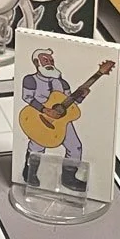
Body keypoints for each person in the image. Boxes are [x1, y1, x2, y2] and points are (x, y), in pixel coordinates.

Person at [20, 48, 89, 193]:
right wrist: (44, 110)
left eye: (51, 60)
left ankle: (68, 178)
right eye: (45, 60)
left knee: (75, 146)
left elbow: (71, 104)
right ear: (36, 62)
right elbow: (27, 97)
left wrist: (81, 96)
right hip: (38, 118)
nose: (49, 62)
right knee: (37, 146)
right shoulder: (30, 80)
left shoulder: (62, 83)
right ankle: (30, 173)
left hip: (61, 122)